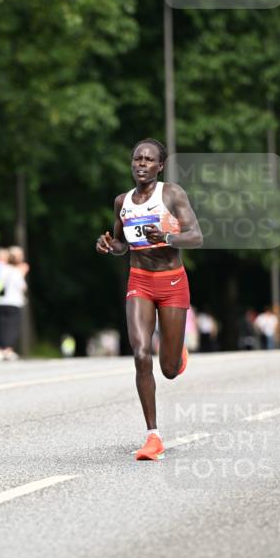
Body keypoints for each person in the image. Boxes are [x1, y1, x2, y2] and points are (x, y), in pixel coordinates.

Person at [96, 138, 203, 460]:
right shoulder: (122, 201)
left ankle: (175, 352)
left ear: (160, 166)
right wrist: (108, 246)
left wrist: (168, 236)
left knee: (168, 369)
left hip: (171, 281)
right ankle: (152, 436)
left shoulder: (171, 194)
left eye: (148, 160)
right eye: (136, 159)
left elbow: (196, 236)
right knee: (141, 353)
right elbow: (121, 243)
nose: (141, 164)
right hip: (139, 281)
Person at [0, 246, 29, 361]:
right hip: (14, 302)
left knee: (3, 326)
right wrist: (23, 274)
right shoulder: (16, 271)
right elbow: (22, 287)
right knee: (12, 327)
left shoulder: (3, 269)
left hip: (2, 302)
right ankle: (8, 350)